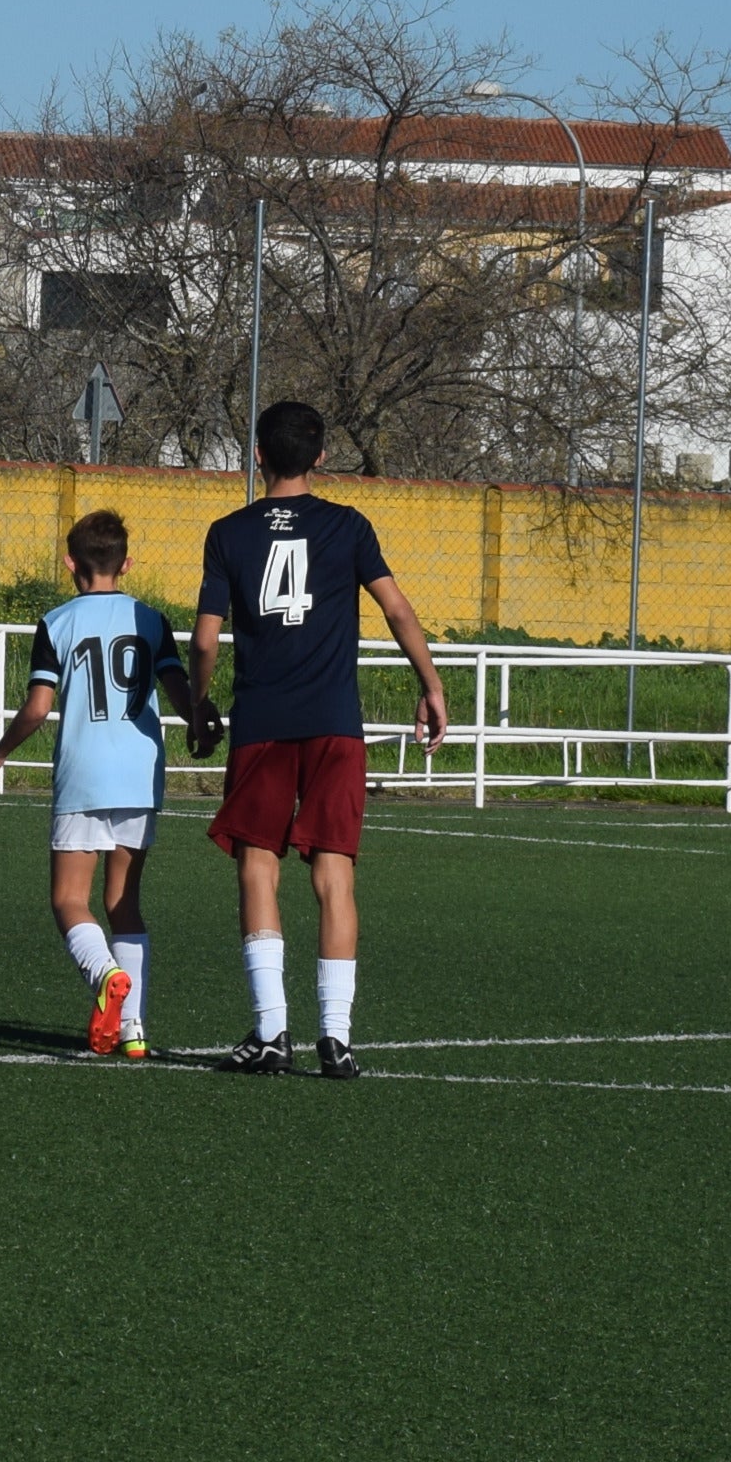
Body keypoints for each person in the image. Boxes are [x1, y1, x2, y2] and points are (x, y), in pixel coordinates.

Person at [191, 401, 448, 1079]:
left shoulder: (228, 532)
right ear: (322, 457)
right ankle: (336, 1039)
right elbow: (396, 608)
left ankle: (271, 1031)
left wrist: (197, 700)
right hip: (335, 721)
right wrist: (431, 685)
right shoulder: (348, 524)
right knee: (335, 873)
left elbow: (206, 638)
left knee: (258, 864)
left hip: (262, 722)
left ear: (257, 455)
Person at [0, 508, 213, 1061]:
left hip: (84, 774)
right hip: (139, 775)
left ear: (70, 563)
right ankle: (133, 1031)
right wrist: (202, 721)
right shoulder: (150, 619)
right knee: (123, 903)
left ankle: (106, 974)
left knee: (68, 900)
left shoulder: (57, 622)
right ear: (126, 564)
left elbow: (38, 707)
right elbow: (180, 693)